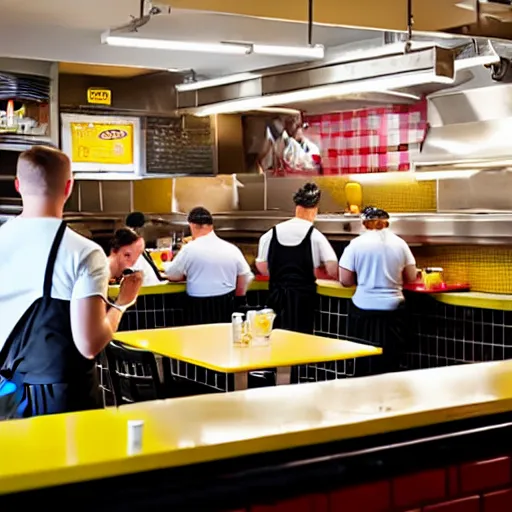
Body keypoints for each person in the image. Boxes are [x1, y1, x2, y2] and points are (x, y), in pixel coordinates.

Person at [0, 146, 142, 419]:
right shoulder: (83, 252)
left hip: (6, 397)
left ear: (18, 186)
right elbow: (89, 344)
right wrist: (122, 304)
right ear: (68, 187)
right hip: (62, 403)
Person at [339, 206, 420, 373]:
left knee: (364, 360)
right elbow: (411, 277)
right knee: (391, 360)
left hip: (363, 310)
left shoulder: (355, 245)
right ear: (387, 223)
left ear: (364, 223)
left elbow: (345, 280)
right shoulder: (400, 244)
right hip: (394, 310)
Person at [256, 182, 338, 334]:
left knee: (276, 337)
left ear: (296, 208)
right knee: (301, 341)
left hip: (276, 296)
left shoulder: (270, 234)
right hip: (303, 300)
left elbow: (261, 266)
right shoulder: (315, 236)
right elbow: (333, 268)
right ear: (315, 210)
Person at [164, 207, 254, 325]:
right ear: (211, 226)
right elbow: (246, 275)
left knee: (200, 339)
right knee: (224, 339)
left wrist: (169, 267)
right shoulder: (231, 249)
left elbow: (172, 275)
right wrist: (238, 298)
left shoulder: (189, 249)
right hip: (226, 305)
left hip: (198, 307)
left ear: (192, 225)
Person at [125, 211, 167, 285]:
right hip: (146, 292)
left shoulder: (140, 250)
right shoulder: (132, 252)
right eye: (146, 226)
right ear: (138, 229)